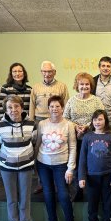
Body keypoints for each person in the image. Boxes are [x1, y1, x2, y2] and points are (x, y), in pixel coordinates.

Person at [0, 95, 36, 221]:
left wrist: (26, 157)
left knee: (25, 198)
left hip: (26, 166)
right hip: (7, 168)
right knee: (11, 198)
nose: (13, 110)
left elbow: (34, 142)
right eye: (10, 107)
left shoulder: (31, 123)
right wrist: (8, 158)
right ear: (6, 109)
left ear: (21, 107)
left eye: (16, 106)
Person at [35, 95, 77, 221]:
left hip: (61, 165)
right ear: (48, 108)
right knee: (48, 194)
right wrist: (35, 164)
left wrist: (70, 168)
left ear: (62, 108)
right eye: (52, 106)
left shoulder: (69, 125)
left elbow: (73, 146)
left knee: (64, 195)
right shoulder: (42, 124)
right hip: (43, 164)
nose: (54, 109)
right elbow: (38, 144)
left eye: (57, 106)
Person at [29, 60, 69, 194]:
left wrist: (65, 121)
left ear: (54, 72)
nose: (47, 74)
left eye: (50, 71)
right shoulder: (35, 87)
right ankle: (41, 181)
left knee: (57, 148)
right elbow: (32, 106)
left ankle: (58, 182)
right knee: (39, 151)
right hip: (40, 121)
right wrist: (31, 123)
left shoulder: (62, 86)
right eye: (44, 71)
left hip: (58, 121)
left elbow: (66, 105)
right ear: (41, 72)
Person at [63, 72, 104, 201]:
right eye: (81, 84)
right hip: (74, 138)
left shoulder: (96, 100)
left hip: (92, 138)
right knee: (76, 165)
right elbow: (65, 117)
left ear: (91, 85)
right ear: (77, 85)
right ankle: (78, 192)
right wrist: (76, 127)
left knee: (90, 165)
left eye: (87, 84)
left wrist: (87, 126)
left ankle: (91, 192)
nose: (84, 86)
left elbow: (101, 117)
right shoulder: (72, 100)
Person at [78, 110, 111, 221]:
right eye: (95, 119)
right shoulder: (87, 137)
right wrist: (81, 176)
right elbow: (82, 158)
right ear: (92, 121)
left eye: (100, 119)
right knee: (92, 204)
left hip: (107, 176)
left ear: (105, 121)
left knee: (107, 204)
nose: (97, 122)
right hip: (91, 177)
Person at [91, 56, 111, 130]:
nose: (105, 68)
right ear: (99, 67)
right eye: (103, 66)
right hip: (95, 122)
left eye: (108, 66)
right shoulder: (92, 81)